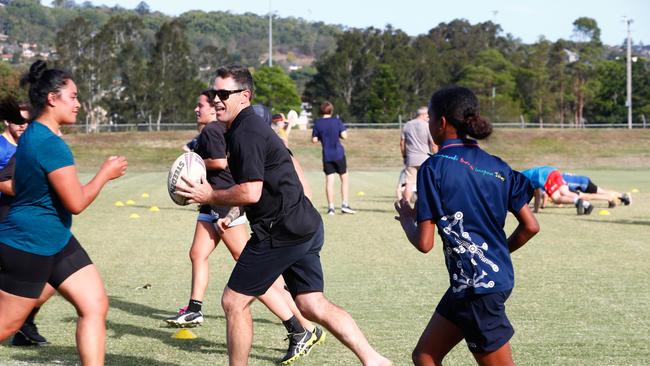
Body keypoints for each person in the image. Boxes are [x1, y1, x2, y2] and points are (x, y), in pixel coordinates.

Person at [176, 65, 390, 366]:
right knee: (311, 303)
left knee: (233, 301)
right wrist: (232, 210)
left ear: (244, 96)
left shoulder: (244, 132)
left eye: (224, 94)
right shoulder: (243, 128)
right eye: (214, 94)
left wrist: (210, 196)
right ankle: (375, 360)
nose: (216, 100)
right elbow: (266, 179)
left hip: (281, 231)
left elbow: (251, 191)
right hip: (304, 223)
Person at [166, 90, 318, 361]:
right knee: (198, 254)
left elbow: (223, 164)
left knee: (251, 274)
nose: (198, 108)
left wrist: (197, 162)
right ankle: (195, 306)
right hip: (212, 202)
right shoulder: (213, 131)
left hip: (224, 198)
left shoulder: (214, 130)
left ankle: (298, 327)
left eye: (201, 104)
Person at [395, 86, 540, 366]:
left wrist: (406, 220)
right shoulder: (497, 166)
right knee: (425, 355)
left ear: (443, 123)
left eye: (431, 120)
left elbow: (424, 244)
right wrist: (498, 252)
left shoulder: (433, 168)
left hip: (477, 289)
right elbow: (531, 226)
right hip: (477, 283)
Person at [0, 60, 128, 365]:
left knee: (94, 304)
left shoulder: (33, 134)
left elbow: (19, 183)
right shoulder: (49, 144)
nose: (78, 104)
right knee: (7, 325)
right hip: (29, 244)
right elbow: (77, 203)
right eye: (72, 97)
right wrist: (105, 174)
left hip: (56, 239)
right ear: (52, 99)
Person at [0, 97, 56, 346]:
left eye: (27, 122)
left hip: (28, 222)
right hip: (6, 220)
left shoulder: (32, 146)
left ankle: (24, 322)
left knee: (51, 281)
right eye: (18, 121)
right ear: (6, 121)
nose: (23, 126)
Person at [311, 101, 355, 215]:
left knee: (329, 181)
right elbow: (345, 136)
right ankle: (345, 204)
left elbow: (314, 140)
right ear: (331, 110)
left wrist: (322, 137)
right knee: (344, 179)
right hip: (338, 154)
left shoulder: (318, 123)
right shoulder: (337, 121)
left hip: (327, 155)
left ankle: (331, 207)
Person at [521, 166, 593, 215]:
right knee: (566, 193)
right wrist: (536, 208)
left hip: (545, 175)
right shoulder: (522, 176)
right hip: (553, 170)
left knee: (556, 198)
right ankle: (586, 204)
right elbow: (538, 193)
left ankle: (578, 201)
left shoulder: (520, 182)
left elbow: (538, 194)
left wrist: (535, 210)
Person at [400, 106, 437, 203]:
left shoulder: (407, 125)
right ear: (424, 115)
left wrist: (404, 156)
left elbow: (402, 143)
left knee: (409, 183)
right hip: (425, 158)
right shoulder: (427, 125)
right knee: (425, 183)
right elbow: (433, 144)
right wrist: (436, 156)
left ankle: (406, 204)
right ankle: (424, 204)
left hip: (411, 158)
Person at [561, 173, 631, 208]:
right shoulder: (558, 175)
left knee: (600, 193)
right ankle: (621, 197)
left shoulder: (558, 181)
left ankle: (623, 196)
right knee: (601, 192)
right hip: (582, 181)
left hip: (583, 183)